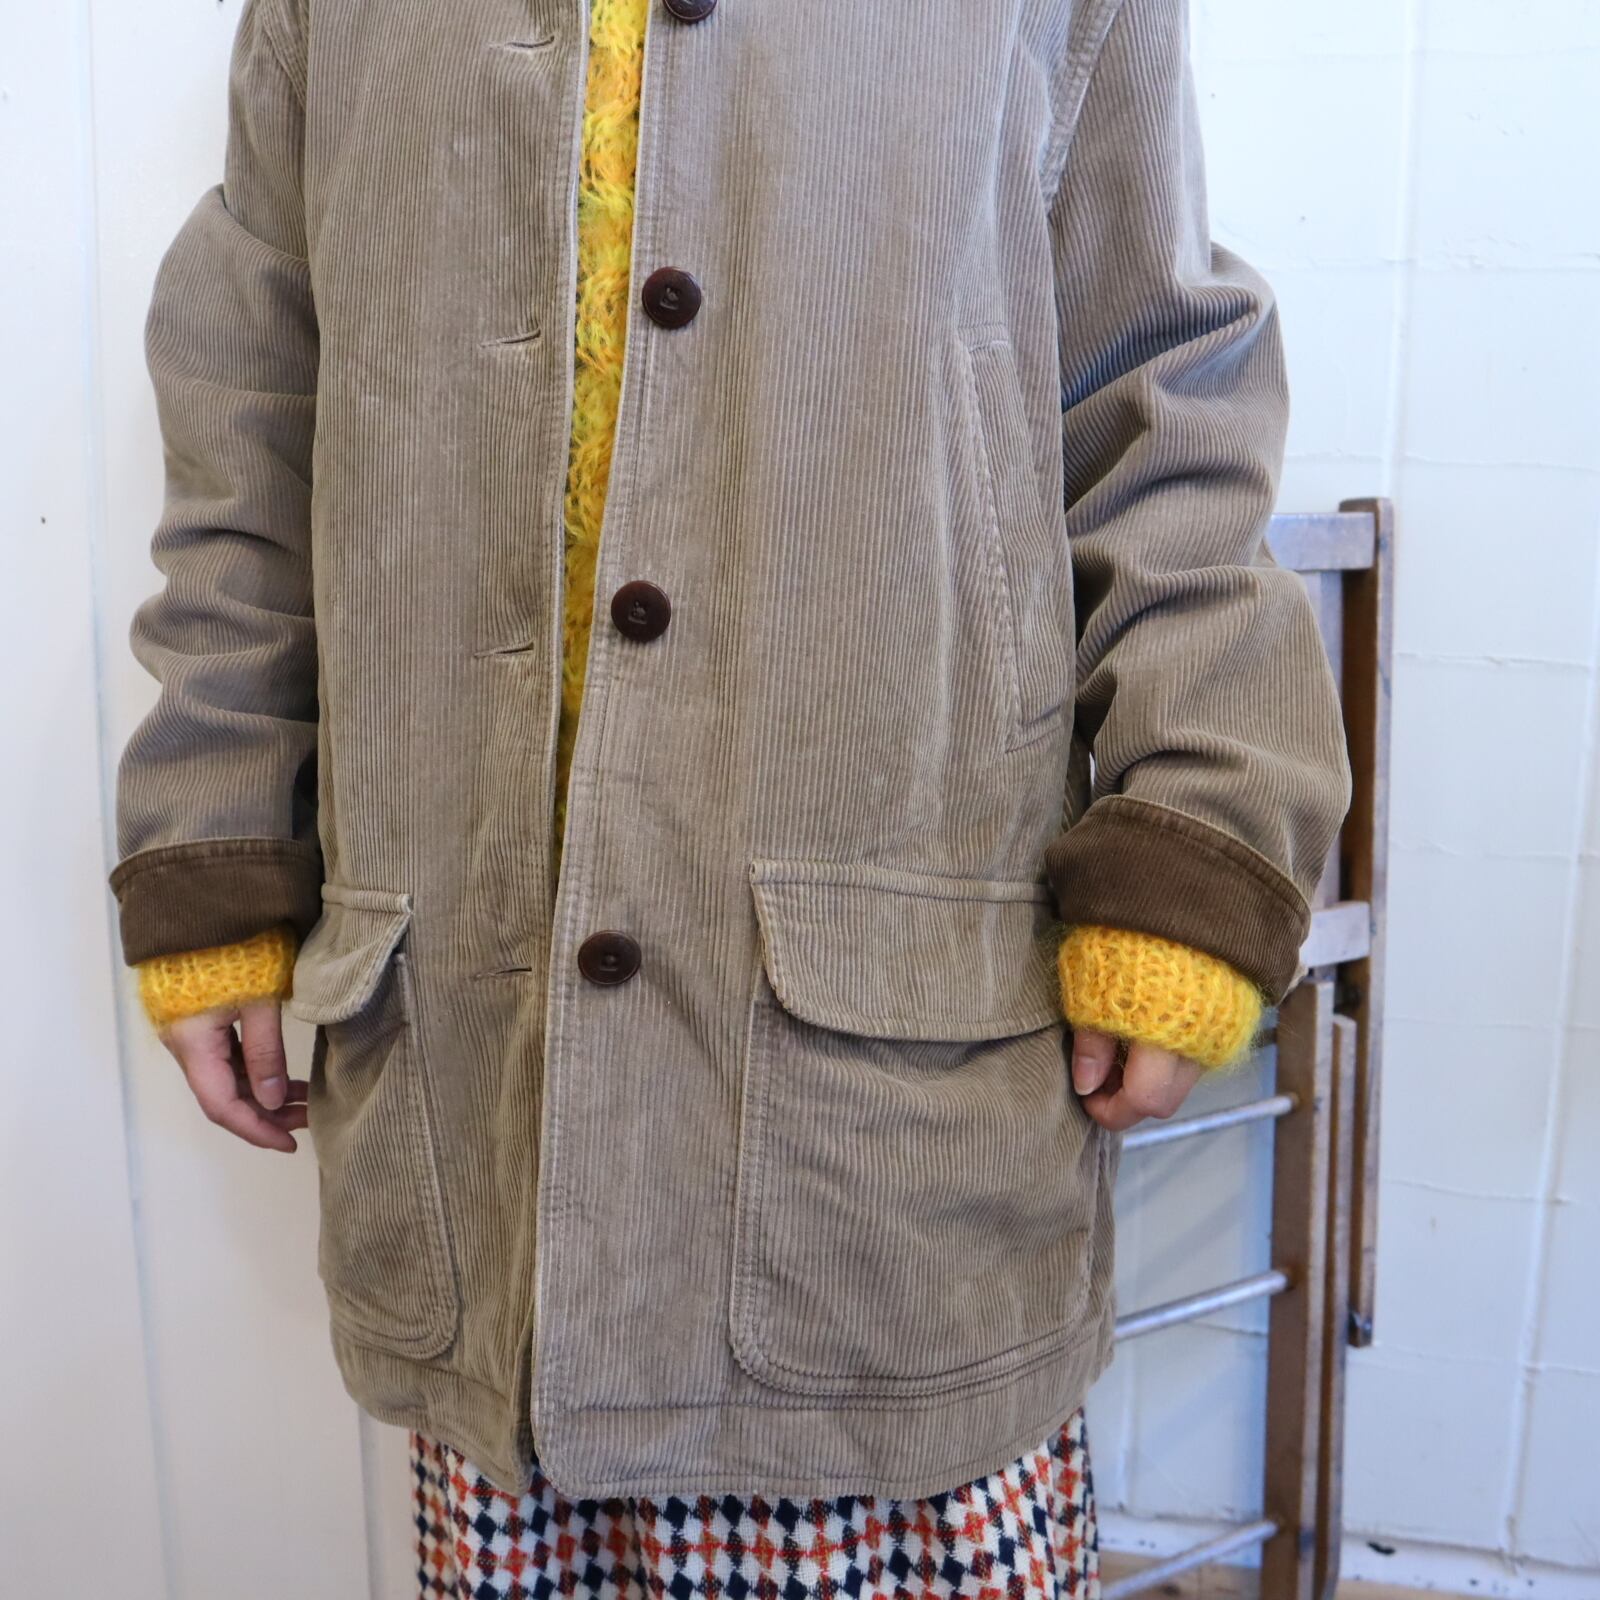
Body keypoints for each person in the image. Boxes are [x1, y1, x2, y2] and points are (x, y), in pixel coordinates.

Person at [106, 0, 1352, 1592]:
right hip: (493, 1133)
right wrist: (212, 837)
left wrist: (1200, 834)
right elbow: (250, 425)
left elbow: (1160, 404)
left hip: (866, 1148)